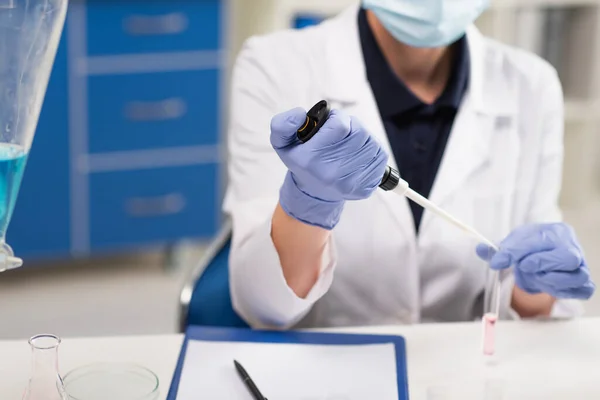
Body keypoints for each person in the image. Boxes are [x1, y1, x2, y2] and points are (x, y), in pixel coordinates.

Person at [223, 0, 595, 329]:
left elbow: (529, 308)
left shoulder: (532, 85)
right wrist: (308, 205)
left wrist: (538, 287)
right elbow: (262, 307)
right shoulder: (274, 66)